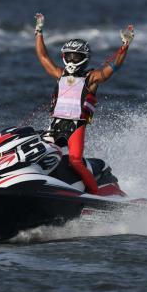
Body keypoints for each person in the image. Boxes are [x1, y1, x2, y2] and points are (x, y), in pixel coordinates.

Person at [34, 13, 134, 194]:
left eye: (76, 56)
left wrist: (125, 45)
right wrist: (39, 31)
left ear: (84, 58)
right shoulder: (59, 74)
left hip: (76, 126)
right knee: (41, 154)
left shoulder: (92, 78)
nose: (72, 60)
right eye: (69, 56)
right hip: (55, 124)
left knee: (75, 161)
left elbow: (115, 67)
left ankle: (96, 195)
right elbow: (42, 56)